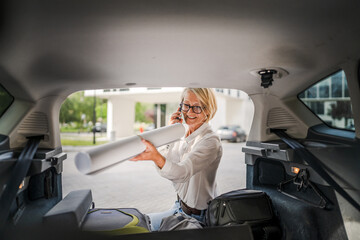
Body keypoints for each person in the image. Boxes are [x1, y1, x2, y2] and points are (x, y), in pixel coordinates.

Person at [130, 88, 222, 231]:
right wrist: (170, 131)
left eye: (197, 107)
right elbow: (167, 169)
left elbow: (181, 173)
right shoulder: (182, 133)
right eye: (186, 105)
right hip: (179, 208)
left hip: (198, 218)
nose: (189, 112)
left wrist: (155, 157)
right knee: (140, 225)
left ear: (208, 111)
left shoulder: (210, 141)